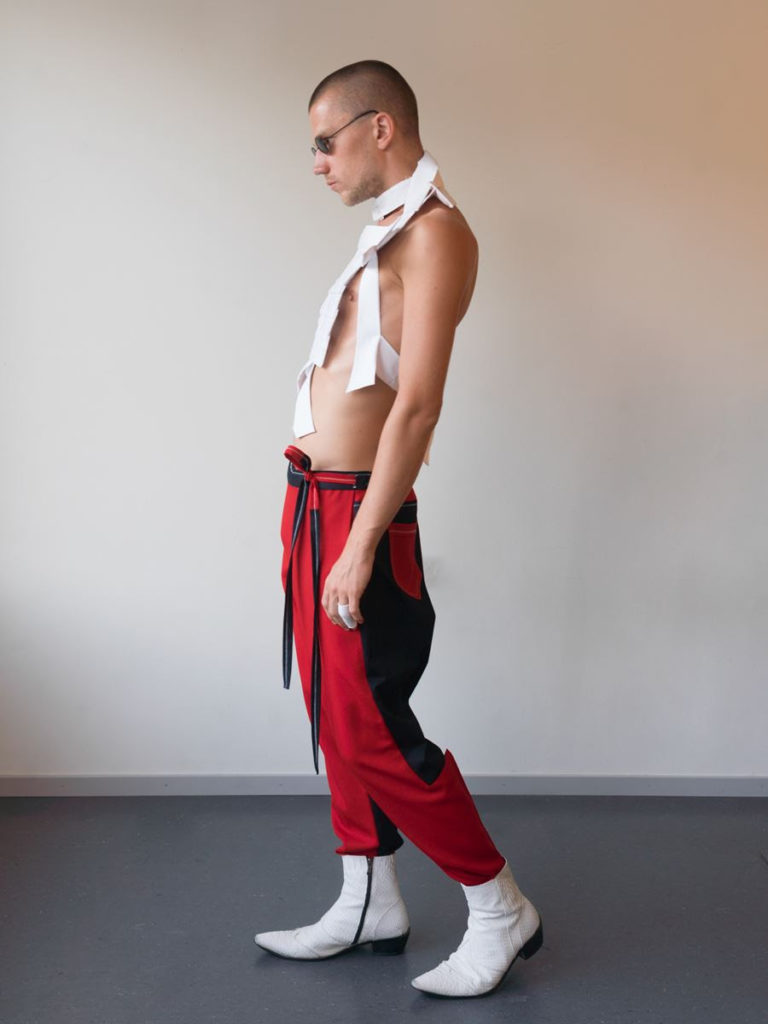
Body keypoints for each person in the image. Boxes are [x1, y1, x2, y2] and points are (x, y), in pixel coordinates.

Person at [254, 59, 543, 998]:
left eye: (325, 142)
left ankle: (498, 906)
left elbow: (416, 407)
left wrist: (362, 541)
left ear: (380, 127)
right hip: (315, 501)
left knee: (371, 723)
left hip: (358, 510)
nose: (317, 162)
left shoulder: (437, 233)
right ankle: (368, 898)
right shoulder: (386, 231)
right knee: (333, 718)